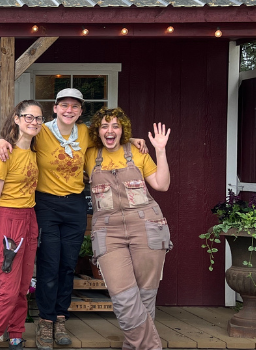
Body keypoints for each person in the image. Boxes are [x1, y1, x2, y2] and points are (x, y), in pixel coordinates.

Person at [0, 88, 145, 350]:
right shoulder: (42, 131)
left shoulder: (85, 132)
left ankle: (60, 318)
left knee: (67, 265)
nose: (69, 110)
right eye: (64, 105)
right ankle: (45, 322)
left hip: (74, 204)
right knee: (49, 264)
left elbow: (112, 138)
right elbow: (16, 140)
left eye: (75, 106)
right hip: (46, 204)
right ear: (55, 107)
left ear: (81, 111)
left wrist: (133, 140)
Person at [84, 107, 171, 350]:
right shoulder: (89, 154)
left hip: (146, 226)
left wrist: (160, 150)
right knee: (123, 298)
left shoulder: (137, 151)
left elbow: (162, 185)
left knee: (145, 295)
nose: (109, 131)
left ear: (123, 130)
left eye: (115, 126)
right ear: (97, 131)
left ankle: (135, 346)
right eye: (104, 126)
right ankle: (152, 346)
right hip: (107, 230)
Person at [0, 100, 44, 350]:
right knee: (9, 287)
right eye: (28, 117)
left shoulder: (35, 151)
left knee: (24, 285)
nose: (34, 122)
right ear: (16, 119)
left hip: (29, 218)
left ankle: (16, 333)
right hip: (9, 220)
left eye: (38, 118)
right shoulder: (4, 154)